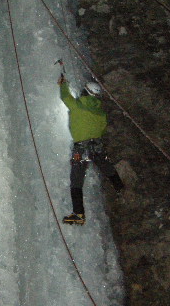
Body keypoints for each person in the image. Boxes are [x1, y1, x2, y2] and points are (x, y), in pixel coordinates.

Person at [58, 74, 124, 225]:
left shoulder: (77, 105)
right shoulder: (101, 113)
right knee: (106, 166)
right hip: (96, 145)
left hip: (81, 148)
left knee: (76, 179)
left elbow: (65, 97)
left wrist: (63, 83)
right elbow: (102, 129)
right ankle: (119, 187)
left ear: (85, 92)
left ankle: (78, 214)